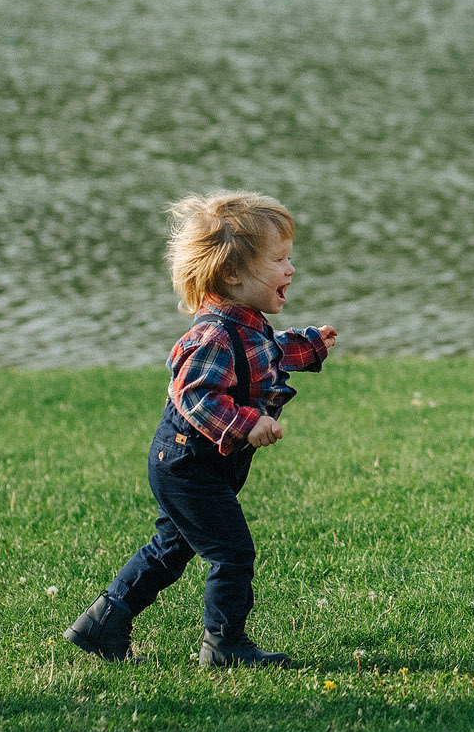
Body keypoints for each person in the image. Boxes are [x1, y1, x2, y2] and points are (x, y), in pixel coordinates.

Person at [65, 192, 335, 668]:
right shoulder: (212, 335)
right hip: (188, 464)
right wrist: (248, 423)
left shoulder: (245, 326)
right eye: (278, 260)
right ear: (232, 274)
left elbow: (265, 354)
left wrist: (310, 345)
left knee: (169, 550)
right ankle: (224, 644)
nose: (291, 269)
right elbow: (195, 396)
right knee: (232, 552)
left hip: (196, 465)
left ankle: (101, 624)